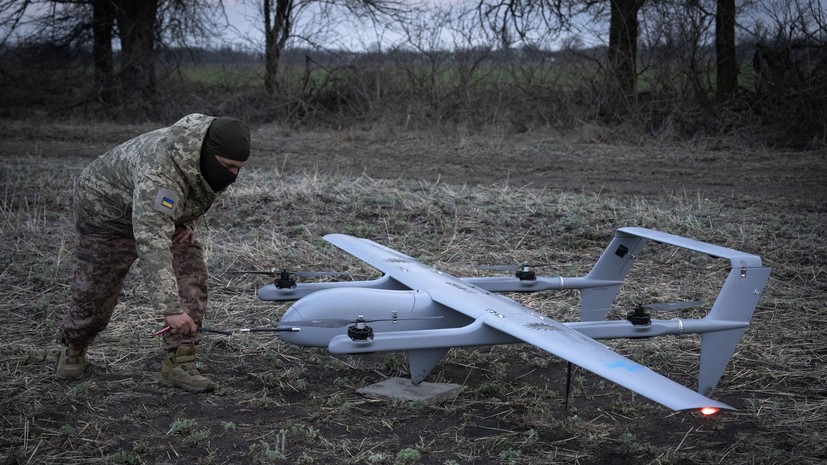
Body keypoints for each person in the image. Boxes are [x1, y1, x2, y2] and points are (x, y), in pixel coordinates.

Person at [56, 113, 251, 393]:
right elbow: (152, 241)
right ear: (209, 153)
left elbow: (198, 190)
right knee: (93, 296)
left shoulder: (207, 159)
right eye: (229, 166)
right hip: (107, 218)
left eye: (239, 168)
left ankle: (180, 362)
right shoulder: (161, 173)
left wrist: (187, 222)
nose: (233, 175)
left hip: (158, 213)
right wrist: (169, 310)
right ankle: (75, 344)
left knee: (191, 280)